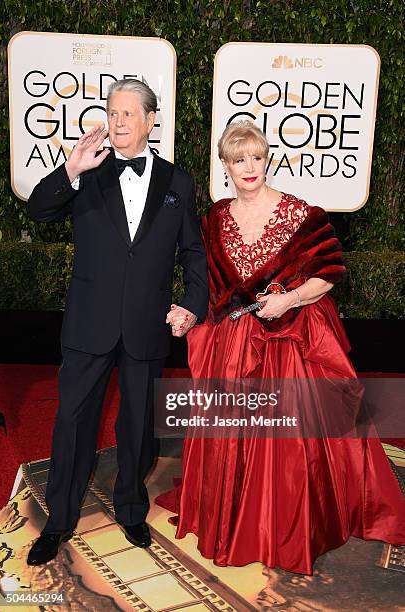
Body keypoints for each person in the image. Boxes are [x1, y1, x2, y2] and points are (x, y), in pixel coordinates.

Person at [156, 121, 405, 574]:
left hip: (291, 339)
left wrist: (289, 297)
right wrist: (190, 313)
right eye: (238, 159)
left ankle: (286, 526)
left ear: (267, 158)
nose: (249, 167)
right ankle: (234, 519)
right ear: (226, 165)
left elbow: (328, 273)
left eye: (256, 156)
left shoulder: (301, 213)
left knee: (289, 444)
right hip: (234, 344)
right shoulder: (214, 218)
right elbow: (209, 287)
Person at [26, 79, 208, 566]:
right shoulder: (87, 170)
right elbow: (38, 209)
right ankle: (59, 520)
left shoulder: (178, 182)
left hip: (148, 324)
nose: (120, 120)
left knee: (138, 426)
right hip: (89, 323)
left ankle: (131, 507)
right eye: (113, 112)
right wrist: (70, 169)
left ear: (152, 121)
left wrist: (193, 303)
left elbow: (193, 251)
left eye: (130, 113)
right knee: (71, 423)